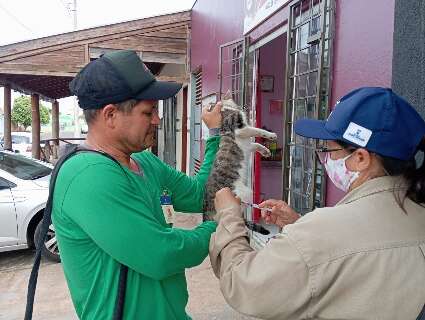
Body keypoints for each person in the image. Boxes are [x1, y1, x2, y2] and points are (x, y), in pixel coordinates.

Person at [210, 87, 425, 319]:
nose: (325, 159)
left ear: (361, 158)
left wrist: (229, 214)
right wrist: (299, 224)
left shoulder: (322, 231)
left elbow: (244, 284)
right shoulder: (417, 214)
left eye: (328, 150)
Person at [52, 50, 222, 319]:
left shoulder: (145, 162)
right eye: (149, 111)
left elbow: (200, 195)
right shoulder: (87, 175)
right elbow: (161, 254)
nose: (157, 119)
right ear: (110, 115)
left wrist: (215, 136)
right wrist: (219, 227)